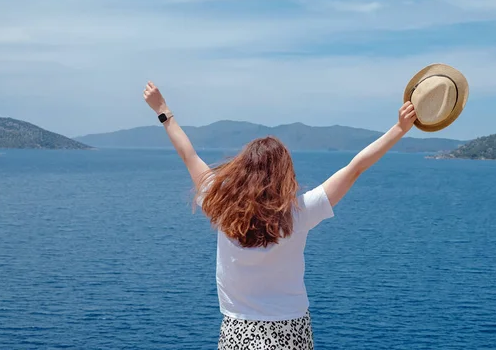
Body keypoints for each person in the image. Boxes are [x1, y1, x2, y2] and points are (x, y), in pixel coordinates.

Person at [143, 81, 417, 349]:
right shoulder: (299, 213)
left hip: (238, 330)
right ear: (284, 175)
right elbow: (355, 167)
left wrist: (163, 110)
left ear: (242, 170)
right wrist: (399, 129)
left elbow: (188, 154)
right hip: (292, 330)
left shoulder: (220, 205)